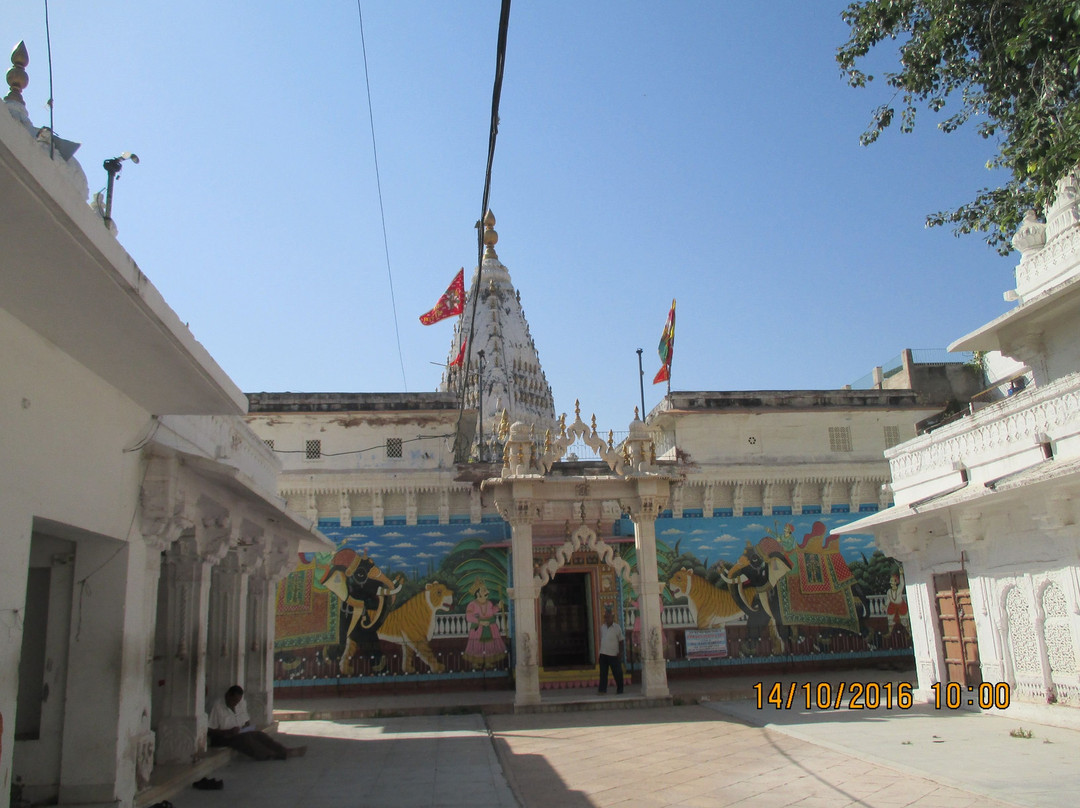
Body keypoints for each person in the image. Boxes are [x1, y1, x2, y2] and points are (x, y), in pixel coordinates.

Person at [207, 685, 306, 760]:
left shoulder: (238, 705)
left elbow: (246, 721)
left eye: (237, 701)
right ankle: (273, 755)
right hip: (224, 737)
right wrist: (228, 732)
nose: (235, 704)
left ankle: (284, 750)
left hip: (239, 732)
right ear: (228, 695)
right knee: (246, 740)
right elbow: (209, 730)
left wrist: (245, 727)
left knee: (259, 735)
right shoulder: (217, 706)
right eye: (234, 701)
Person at [598, 607, 624, 695]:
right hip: (603, 653)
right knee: (603, 673)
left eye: (608, 617)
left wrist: (620, 652)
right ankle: (602, 690)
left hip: (613, 654)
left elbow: (621, 641)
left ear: (612, 617)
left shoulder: (617, 628)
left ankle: (620, 689)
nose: (607, 619)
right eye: (605, 617)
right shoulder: (602, 627)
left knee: (617, 673)